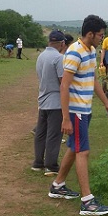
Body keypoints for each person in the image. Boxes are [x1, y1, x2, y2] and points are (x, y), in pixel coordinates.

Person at [49, 14, 108, 216]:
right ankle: (88, 202)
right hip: (76, 112)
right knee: (82, 151)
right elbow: (64, 86)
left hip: (85, 110)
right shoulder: (74, 52)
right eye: (100, 35)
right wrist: (66, 118)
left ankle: (58, 185)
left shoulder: (91, 50)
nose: (102, 38)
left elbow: (93, 79)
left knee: (73, 148)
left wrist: (106, 104)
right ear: (90, 34)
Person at [32, 31, 69, 176]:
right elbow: (63, 82)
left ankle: (38, 162)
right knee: (54, 135)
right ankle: (51, 165)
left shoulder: (41, 56)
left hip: (43, 99)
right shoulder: (59, 58)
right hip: (55, 102)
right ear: (62, 43)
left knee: (40, 133)